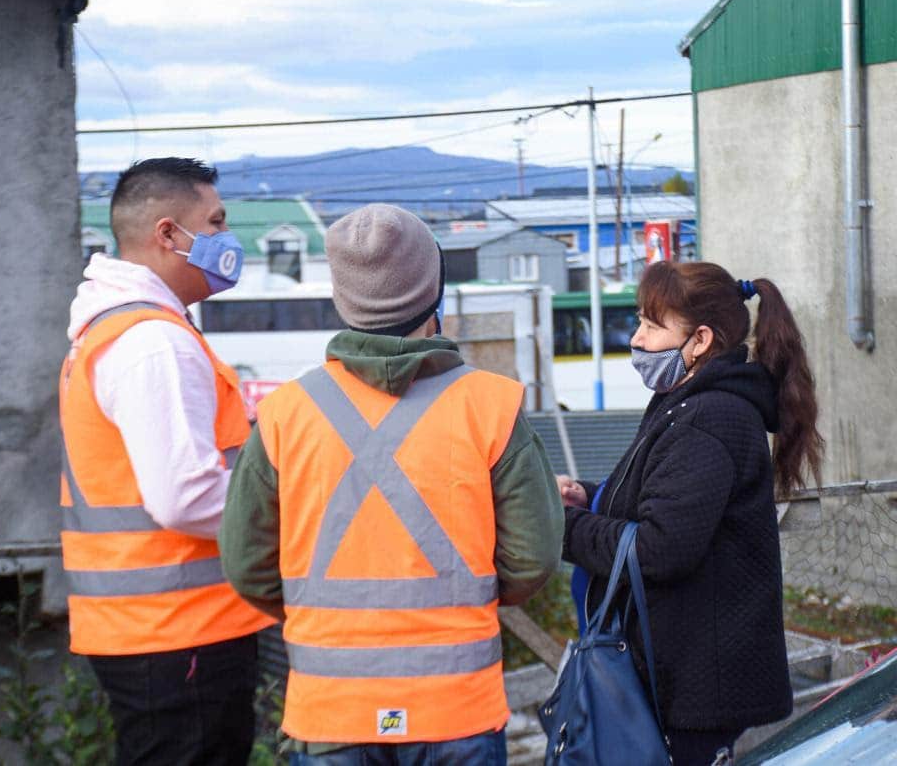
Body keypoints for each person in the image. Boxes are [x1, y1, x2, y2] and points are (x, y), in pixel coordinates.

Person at [220, 203, 564, 765]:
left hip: (331, 711)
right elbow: (533, 557)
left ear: (343, 298)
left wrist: (323, 612)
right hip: (457, 709)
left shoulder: (284, 415)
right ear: (435, 293)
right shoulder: (491, 406)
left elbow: (246, 562)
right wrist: (459, 603)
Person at [558, 260, 824, 766]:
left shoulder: (711, 417)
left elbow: (661, 549)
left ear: (700, 340)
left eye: (652, 325)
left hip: (693, 688)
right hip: (678, 675)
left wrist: (563, 528)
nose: (637, 339)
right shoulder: (684, 401)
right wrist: (589, 498)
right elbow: (666, 500)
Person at [58, 157, 274, 765]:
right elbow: (185, 497)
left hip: (156, 630)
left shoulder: (115, 330)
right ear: (167, 234)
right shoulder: (154, 343)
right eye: (217, 221)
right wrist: (295, 506)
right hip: (181, 633)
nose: (228, 239)